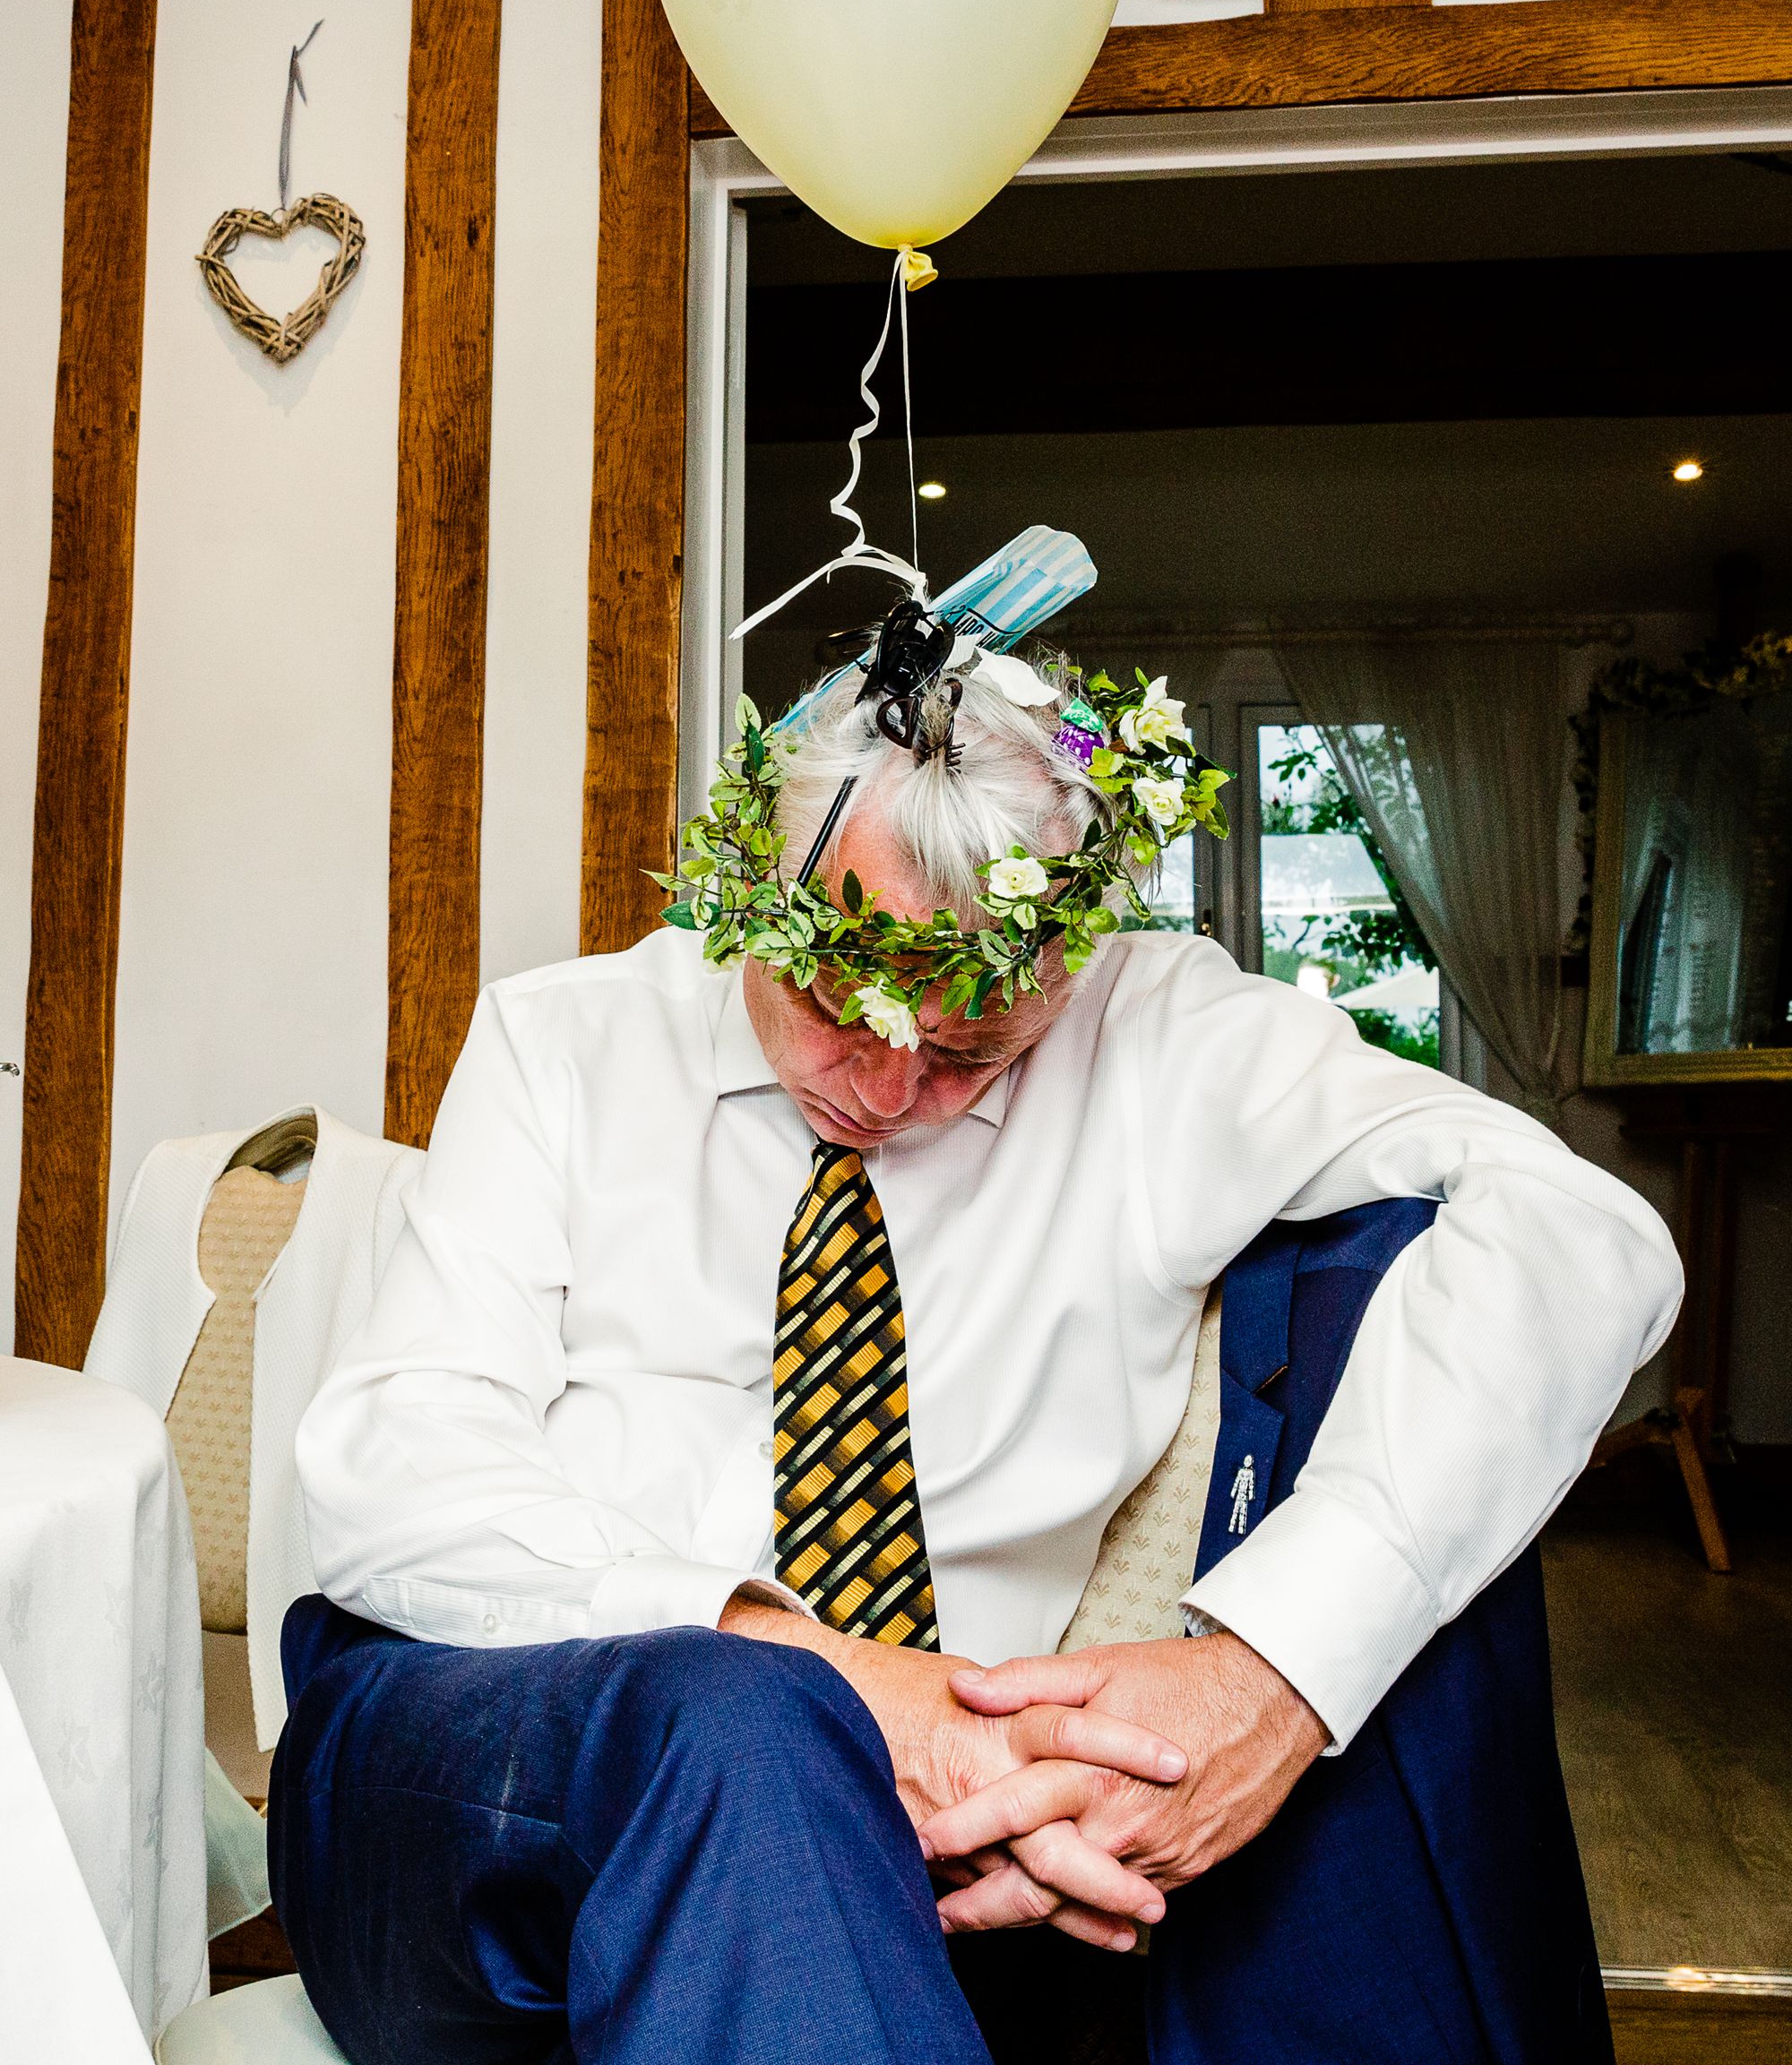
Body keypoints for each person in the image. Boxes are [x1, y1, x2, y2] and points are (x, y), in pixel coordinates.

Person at [274, 641, 1678, 2064]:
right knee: (752, 1723)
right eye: (834, 1007)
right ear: (748, 892)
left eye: (970, 1053)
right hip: (476, 1756)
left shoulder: (1158, 1039)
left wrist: (1280, 1668)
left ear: (1068, 970)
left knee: (791, 1792)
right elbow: (394, 1469)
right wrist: (833, 1680)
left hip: (912, 1861)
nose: (885, 1091)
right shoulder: (560, 1045)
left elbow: (1581, 1230)